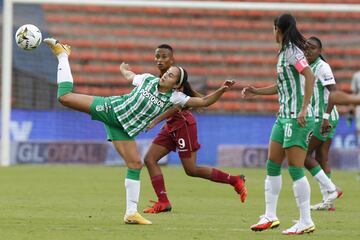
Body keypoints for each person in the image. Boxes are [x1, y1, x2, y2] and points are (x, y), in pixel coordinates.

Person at [43, 38, 235, 225]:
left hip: (123, 128)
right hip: (110, 109)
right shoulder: (147, 79)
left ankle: (131, 213)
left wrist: (222, 90)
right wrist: (124, 70)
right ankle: (63, 55)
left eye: (172, 75)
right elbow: (130, 77)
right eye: (168, 71)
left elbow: (203, 102)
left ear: (177, 84)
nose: (167, 73)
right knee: (65, 97)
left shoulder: (175, 98)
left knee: (135, 164)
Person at [122, 44, 247, 214]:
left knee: (191, 169)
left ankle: (235, 180)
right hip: (171, 125)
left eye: (164, 57)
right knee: (150, 159)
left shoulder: (176, 81)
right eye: (157, 56)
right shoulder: (161, 78)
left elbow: (177, 107)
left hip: (183, 125)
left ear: (172, 59)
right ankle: (163, 201)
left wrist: (156, 120)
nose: (159, 60)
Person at [242, 13, 316, 235]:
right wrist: (257, 92)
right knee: (272, 164)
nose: (272, 33)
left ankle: (305, 220)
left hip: (297, 117)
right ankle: (270, 215)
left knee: (295, 169)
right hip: (284, 116)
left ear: (278, 29)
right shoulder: (284, 53)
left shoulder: (293, 52)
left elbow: (310, 76)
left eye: (273, 29)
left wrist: (303, 109)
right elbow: (282, 85)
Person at [303, 36, 342, 211]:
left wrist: (325, 117)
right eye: (305, 48)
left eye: (311, 48)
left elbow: (333, 92)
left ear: (319, 51)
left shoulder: (322, 67)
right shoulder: (307, 67)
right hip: (322, 117)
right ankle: (329, 201)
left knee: (303, 155)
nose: (307, 51)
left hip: (324, 118)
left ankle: (332, 189)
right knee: (321, 156)